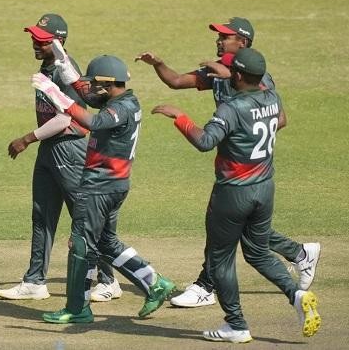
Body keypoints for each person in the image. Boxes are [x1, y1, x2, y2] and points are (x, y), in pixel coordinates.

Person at [135, 17, 320, 308]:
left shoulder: (257, 79)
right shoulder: (217, 74)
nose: (219, 40)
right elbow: (175, 81)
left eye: (226, 36)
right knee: (242, 232)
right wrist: (158, 63)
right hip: (241, 171)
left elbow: (279, 119)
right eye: (219, 36)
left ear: (242, 43)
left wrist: (235, 134)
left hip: (244, 171)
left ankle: (207, 287)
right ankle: (299, 254)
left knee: (223, 231)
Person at [32, 55, 176, 323]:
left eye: (94, 83)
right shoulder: (124, 102)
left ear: (108, 84)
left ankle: (77, 308)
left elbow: (93, 122)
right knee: (106, 243)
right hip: (115, 186)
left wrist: (55, 94)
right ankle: (154, 282)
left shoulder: (119, 110)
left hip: (99, 187)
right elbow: (91, 101)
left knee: (81, 245)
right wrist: (68, 73)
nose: (90, 88)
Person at [0, 13, 120, 302]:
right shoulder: (47, 65)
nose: (34, 44)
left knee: (86, 215)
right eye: (34, 38)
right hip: (50, 150)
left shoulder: (66, 70)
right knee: (42, 215)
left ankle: (108, 279)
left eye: (41, 40)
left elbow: (65, 119)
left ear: (59, 42)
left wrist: (27, 138)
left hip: (68, 148)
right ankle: (35, 281)